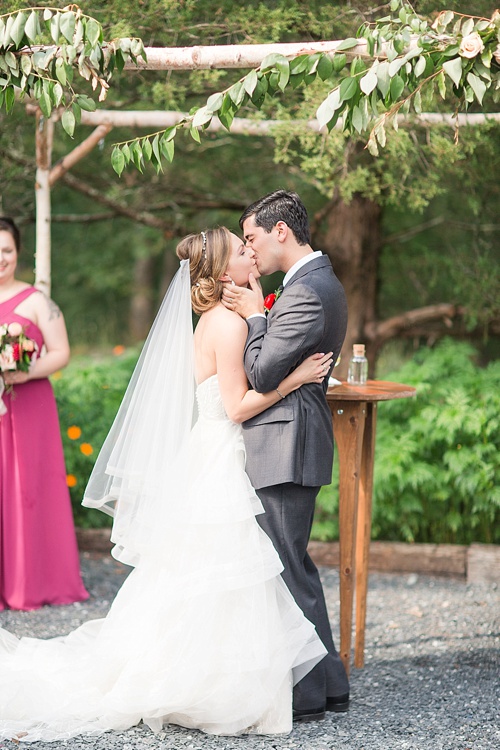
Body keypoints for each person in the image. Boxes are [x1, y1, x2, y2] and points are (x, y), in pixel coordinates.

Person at [0, 226, 334, 741]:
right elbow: (239, 404)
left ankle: (212, 675)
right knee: (223, 572)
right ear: (226, 273)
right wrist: (297, 379)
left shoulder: (212, 319)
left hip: (210, 451)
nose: (252, 254)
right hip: (221, 454)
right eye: (243, 250)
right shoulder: (228, 326)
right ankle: (209, 684)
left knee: (200, 577)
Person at [221, 190, 350, 722]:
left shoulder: (307, 292)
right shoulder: (312, 284)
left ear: (281, 233)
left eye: (251, 238)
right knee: (294, 564)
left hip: (286, 440)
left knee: (285, 566)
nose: (249, 250)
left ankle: (307, 693)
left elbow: (264, 372)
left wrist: (254, 316)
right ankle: (329, 683)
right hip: (289, 437)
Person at [0, 217, 88, 611]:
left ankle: (31, 581)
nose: (0, 258)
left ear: (18, 253)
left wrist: (19, 374)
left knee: (27, 489)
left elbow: (61, 352)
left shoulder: (37, 300)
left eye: (6, 250)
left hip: (28, 407)